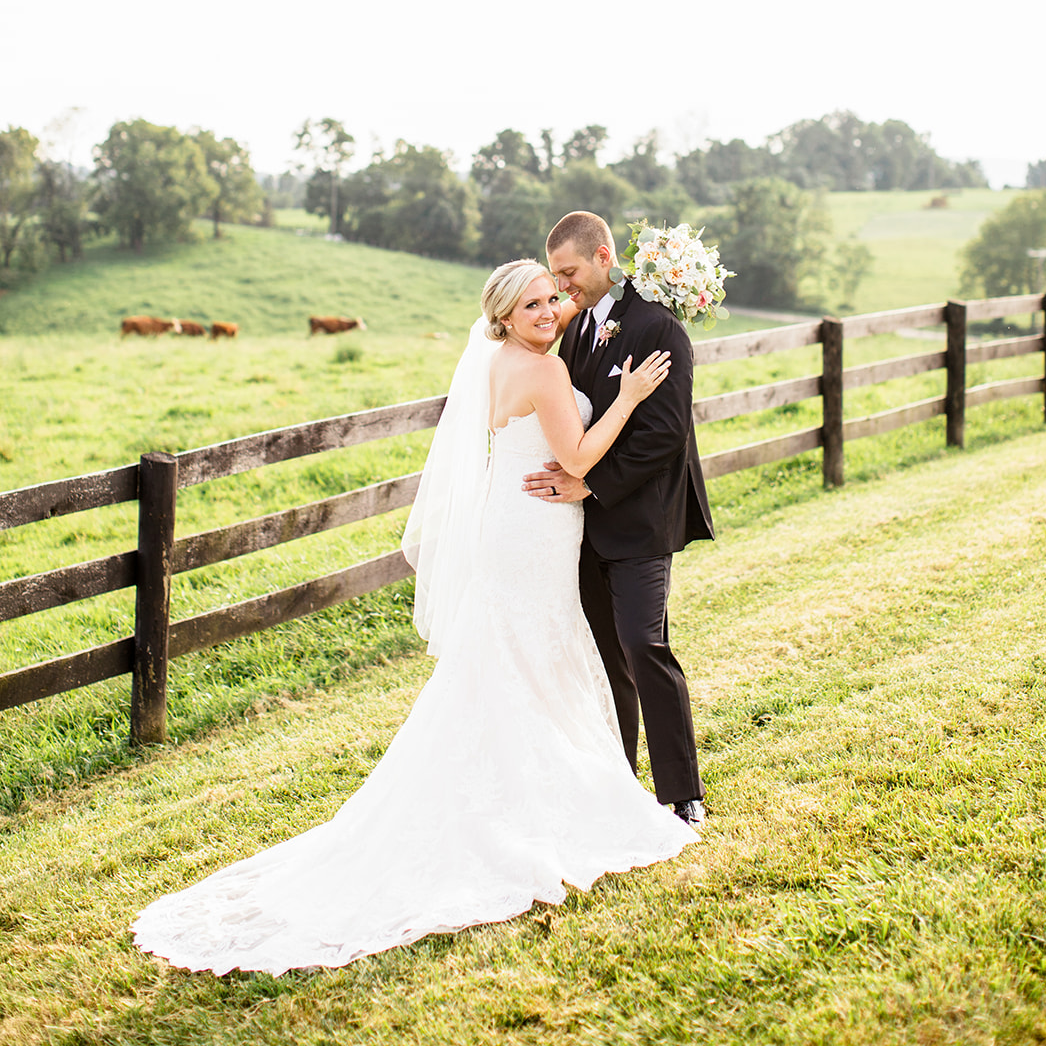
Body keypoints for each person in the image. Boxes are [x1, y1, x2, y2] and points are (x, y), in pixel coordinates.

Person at [131, 259, 697, 976]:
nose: (547, 312)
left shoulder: (494, 360)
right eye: (530, 305)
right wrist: (629, 395)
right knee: (532, 658)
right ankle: (539, 804)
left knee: (512, 662)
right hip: (536, 533)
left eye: (550, 299)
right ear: (502, 317)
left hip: (515, 526)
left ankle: (525, 788)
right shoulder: (545, 373)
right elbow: (580, 453)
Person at [523, 212, 713, 829]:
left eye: (569, 273)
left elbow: (664, 437)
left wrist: (587, 482)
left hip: (640, 524)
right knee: (606, 659)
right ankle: (618, 782)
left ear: (604, 257)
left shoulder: (658, 328)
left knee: (643, 645)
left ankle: (683, 794)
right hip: (582, 531)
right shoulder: (575, 331)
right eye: (554, 276)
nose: (561, 287)